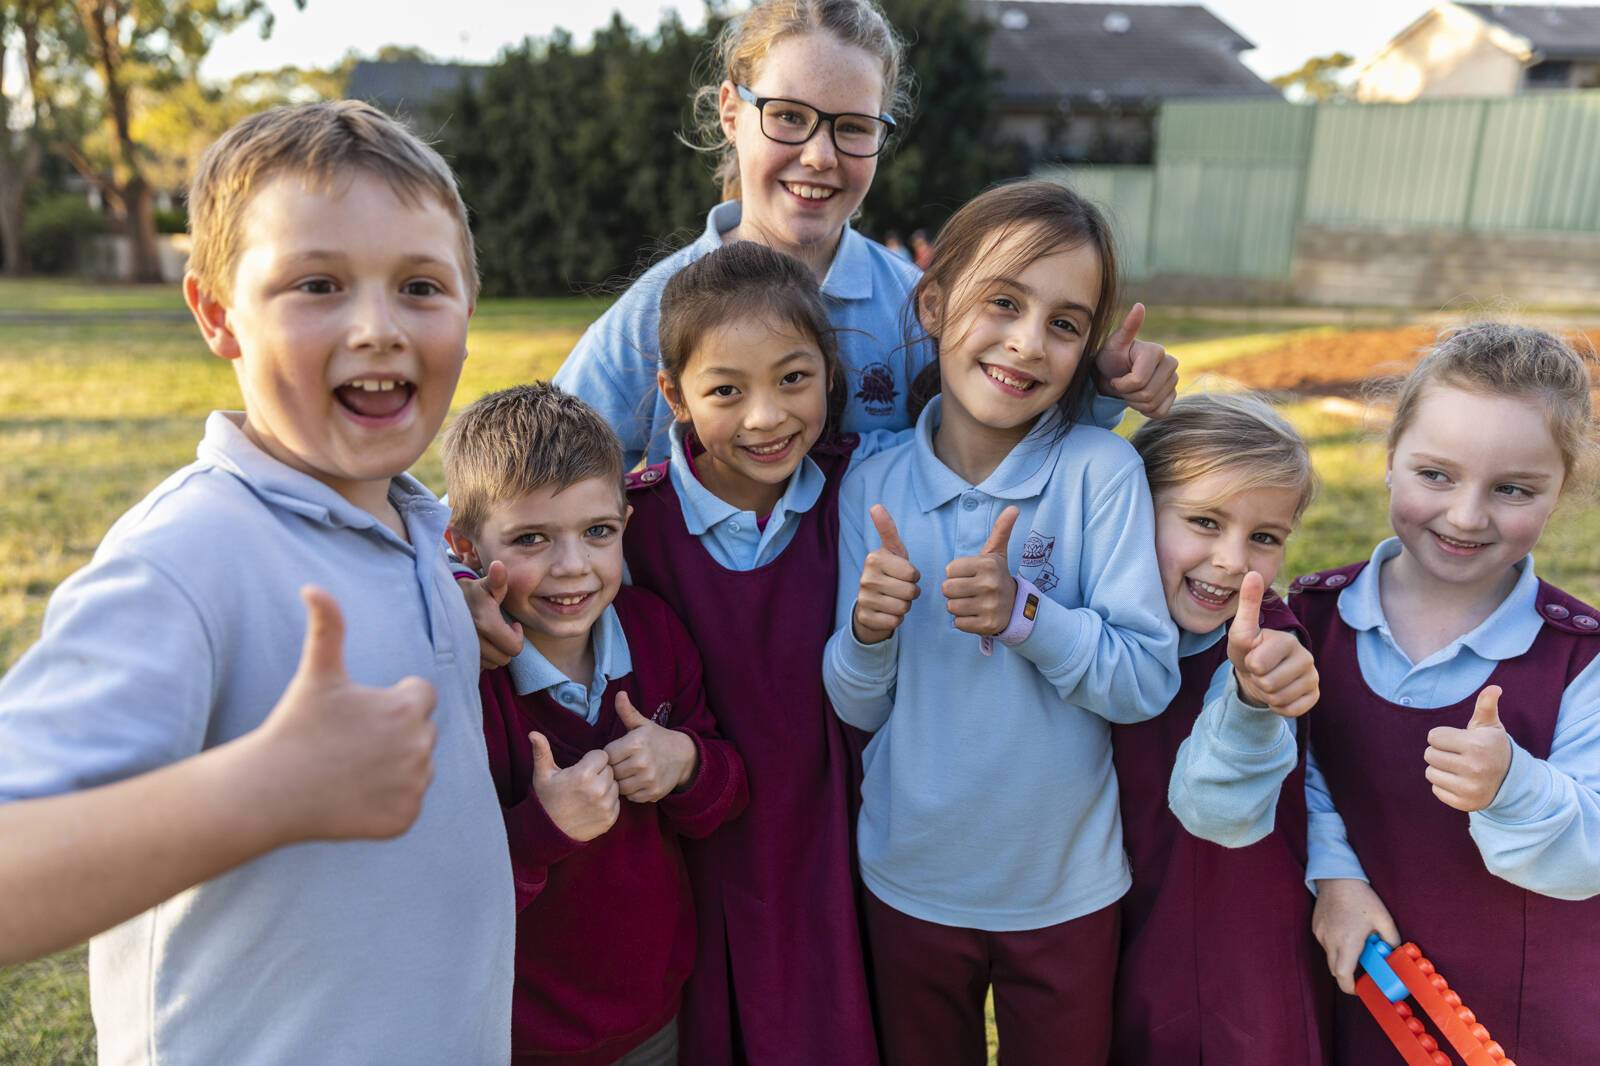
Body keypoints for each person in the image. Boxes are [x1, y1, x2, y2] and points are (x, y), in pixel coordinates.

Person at [0, 100, 514, 1062]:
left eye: (420, 286)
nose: (377, 328)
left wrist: (454, 614)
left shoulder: (418, 526)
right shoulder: (189, 559)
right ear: (215, 314)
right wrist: (261, 794)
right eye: (317, 284)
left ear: (467, 311)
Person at [822, 179, 1181, 1065]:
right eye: (1004, 303)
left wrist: (1030, 615)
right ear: (937, 305)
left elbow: (1145, 681)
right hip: (909, 880)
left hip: (1065, 889)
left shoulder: (1101, 470)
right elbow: (857, 708)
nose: (1027, 343)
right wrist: (866, 636)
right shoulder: (871, 486)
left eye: (1064, 323)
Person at [553, 0, 1176, 468]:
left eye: (852, 128)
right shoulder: (654, 313)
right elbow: (540, 471)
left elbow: (1011, 443)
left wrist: (1101, 391)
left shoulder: (919, 308)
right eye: (790, 117)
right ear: (731, 112)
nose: (821, 156)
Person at [1296, 323, 1600, 1066]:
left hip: (1520, 1022)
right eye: (1436, 475)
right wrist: (1334, 873)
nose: (1466, 516)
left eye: (1512, 490)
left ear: (1561, 491)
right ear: (1390, 461)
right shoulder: (1308, 620)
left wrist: (1512, 786)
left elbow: (1589, 850)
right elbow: (1290, 772)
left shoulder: (1581, 656)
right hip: (1344, 995)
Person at [441, 384, 747, 1066]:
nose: (572, 566)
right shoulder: (465, 682)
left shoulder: (655, 632)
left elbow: (724, 794)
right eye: (530, 539)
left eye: (597, 533)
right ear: (461, 545)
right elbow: (445, 888)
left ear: (624, 524)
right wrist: (543, 829)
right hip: (520, 1034)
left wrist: (685, 762)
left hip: (655, 1016)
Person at [1112, 393, 1329, 1066]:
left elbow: (1223, 801)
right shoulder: (1099, 634)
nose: (1234, 561)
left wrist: (1252, 694)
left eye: (1264, 537)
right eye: (1205, 521)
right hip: (1127, 920)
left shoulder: (1268, 646)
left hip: (1244, 934)